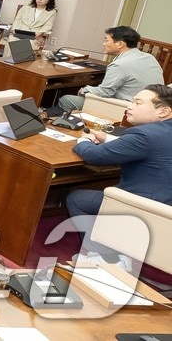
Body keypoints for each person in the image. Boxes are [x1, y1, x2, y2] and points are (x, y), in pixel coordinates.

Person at [65, 85, 172, 269]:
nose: (130, 106)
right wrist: (106, 138)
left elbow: (95, 157)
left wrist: (83, 141)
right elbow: (152, 149)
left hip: (148, 208)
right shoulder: (158, 132)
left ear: (163, 111)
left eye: (137, 103)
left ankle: (105, 258)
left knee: (77, 199)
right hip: (167, 204)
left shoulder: (144, 135)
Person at [59, 26, 165, 112]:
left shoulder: (119, 65)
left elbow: (104, 92)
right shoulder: (150, 57)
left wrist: (84, 89)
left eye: (106, 40)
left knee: (66, 99)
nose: (103, 43)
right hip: (154, 107)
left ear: (120, 44)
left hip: (125, 107)